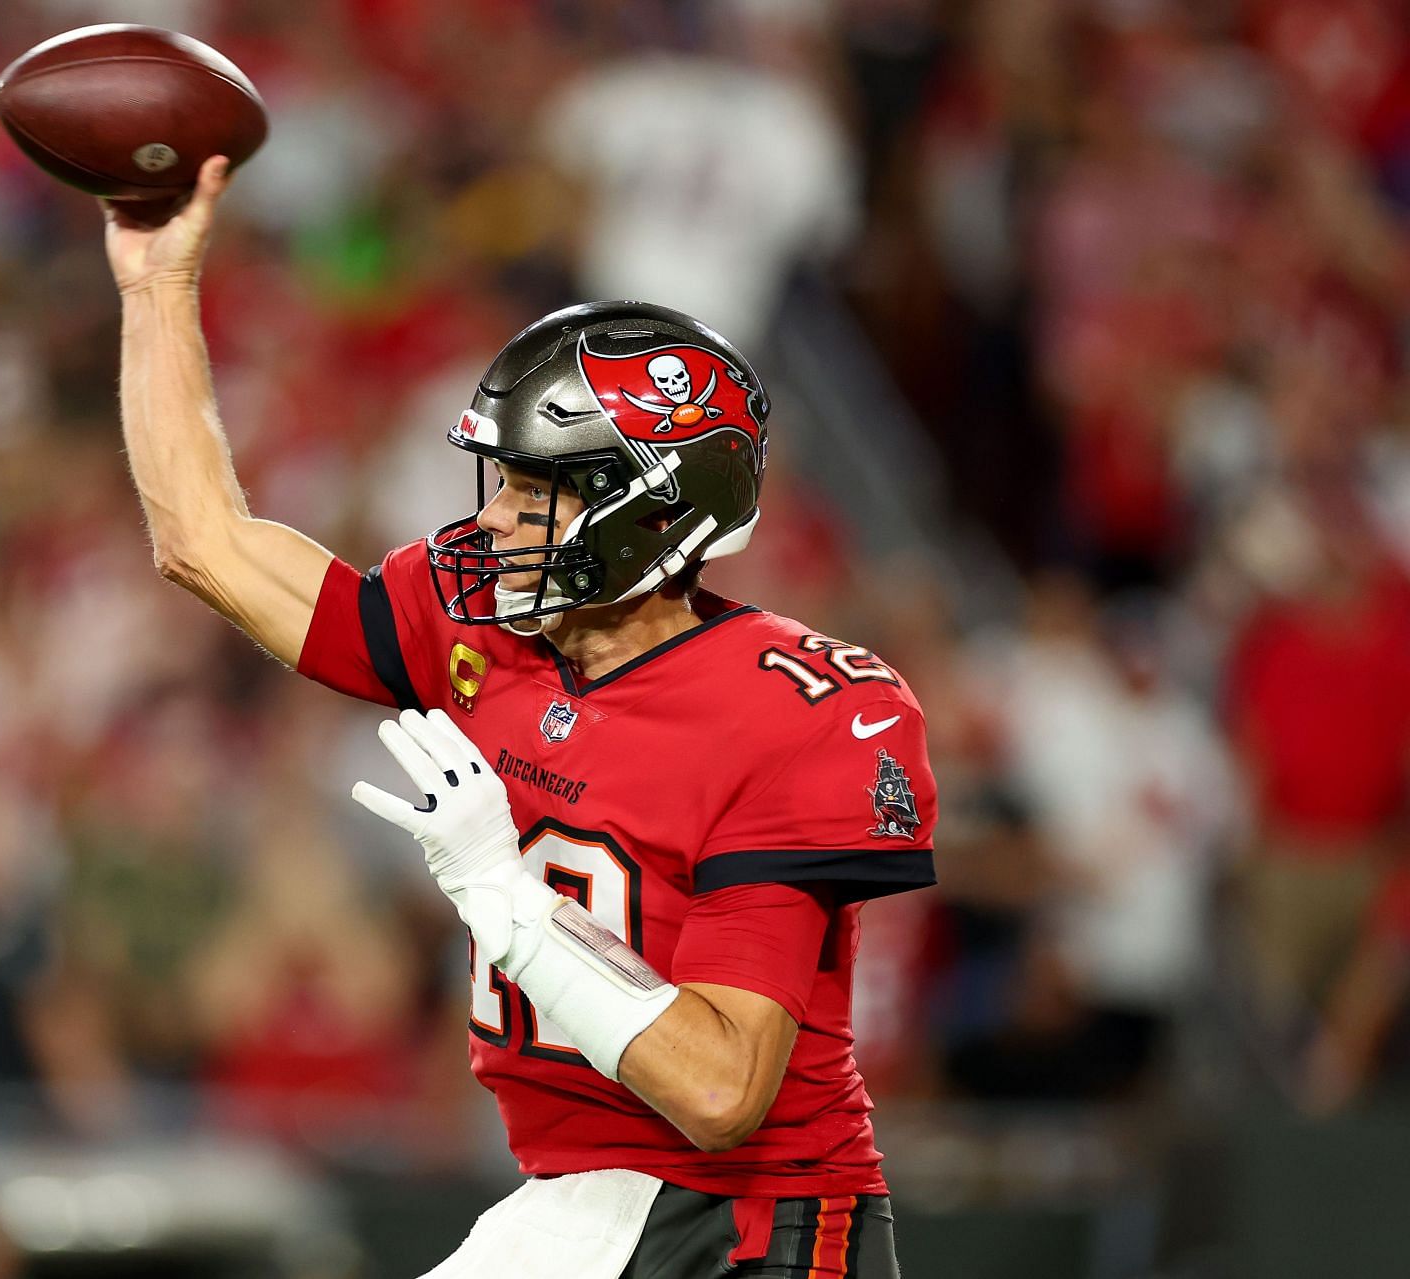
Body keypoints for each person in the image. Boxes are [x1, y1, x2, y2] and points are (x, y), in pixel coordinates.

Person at [104, 160, 938, 1278]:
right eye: (500, 482)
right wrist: (159, 288)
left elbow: (720, 1091)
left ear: (654, 512)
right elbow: (205, 543)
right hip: (574, 1206)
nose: (493, 521)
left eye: (535, 493)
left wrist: (507, 898)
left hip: (745, 1227)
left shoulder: (790, 710)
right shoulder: (484, 636)